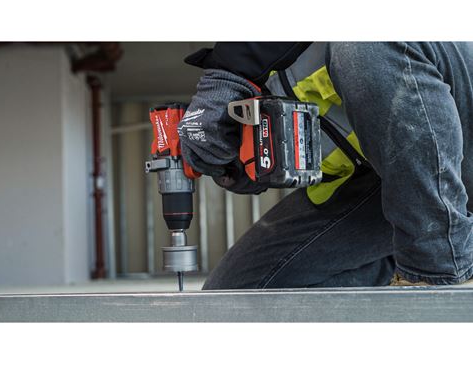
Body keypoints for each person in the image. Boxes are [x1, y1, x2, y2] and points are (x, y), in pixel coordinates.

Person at [177, 42, 473, 288]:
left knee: (365, 43)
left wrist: (231, 69)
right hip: (397, 186)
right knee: (235, 292)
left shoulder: (236, 66)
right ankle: (411, 265)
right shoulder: (245, 85)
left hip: (460, 123)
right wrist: (239, 165)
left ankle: (439, 272)